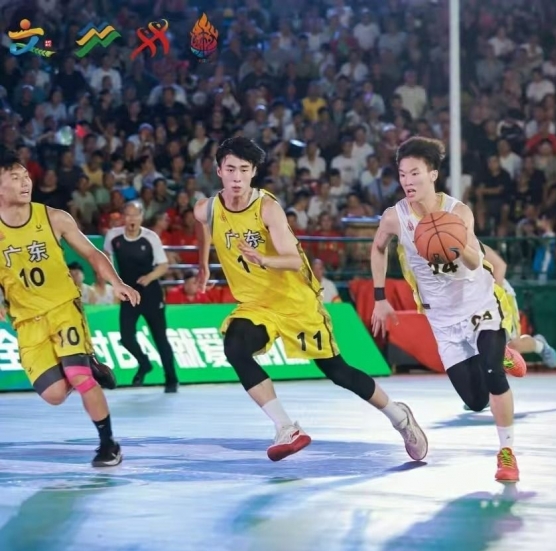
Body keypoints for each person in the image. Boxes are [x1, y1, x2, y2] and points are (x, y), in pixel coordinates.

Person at [193, 137, 427, 463]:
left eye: (243, 170)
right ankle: (286, 428)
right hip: (257, 305)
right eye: (230, 169)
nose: (236, 177)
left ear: (253, 173)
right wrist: (204, 264)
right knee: (234, 346)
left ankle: (398, 416)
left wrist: (263, 259)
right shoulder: (207, 207)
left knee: (337, 371)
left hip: (295, 301)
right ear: (219, 171)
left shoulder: (267, 209)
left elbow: (290, 258)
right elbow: (204, 223)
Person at [371, 136, 526, 483]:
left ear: (434, 174)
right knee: (474, 401)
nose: (408, 181)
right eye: (402, 174)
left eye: (415, 173)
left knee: (491, 373)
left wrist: (457, 245)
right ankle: (501, 354)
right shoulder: (395, 217)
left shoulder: (457, 213)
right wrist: (380, 296)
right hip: (441, 317)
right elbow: (378, 249)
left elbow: (475, 260)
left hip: (480, 305)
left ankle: (507, 453)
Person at [0, 150, 140, 467]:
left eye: (26, 176)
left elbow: (92, 255)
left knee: (78, 376)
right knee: (53, 394)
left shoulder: (54, 218)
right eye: (14, 177)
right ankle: (89, 364)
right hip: (27, 321)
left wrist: (116, 282)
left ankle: (108, 445)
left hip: (64, 309)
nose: (25, 183)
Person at [461, 244, 556, 411]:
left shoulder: (470, 241)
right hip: (473, 303)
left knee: (510, 347)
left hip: (499, 297)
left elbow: (500, 265)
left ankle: (540, 345)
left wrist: (492, 297)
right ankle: (483, 394)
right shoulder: (436, 251)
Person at [103, 202, 180, 392]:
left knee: (160, 338)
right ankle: (144, 363)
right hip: (128, 294)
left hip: (150, 293)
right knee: (127, 338)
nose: (132, 219)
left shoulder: (150, 237)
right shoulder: (113, 236)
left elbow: (163, 265)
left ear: (141, 217)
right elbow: (105, 260)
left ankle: (171, 379)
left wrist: (150, 277)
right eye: (128, 215)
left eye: (135, 215)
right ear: (123, 217)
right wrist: (114, 282)